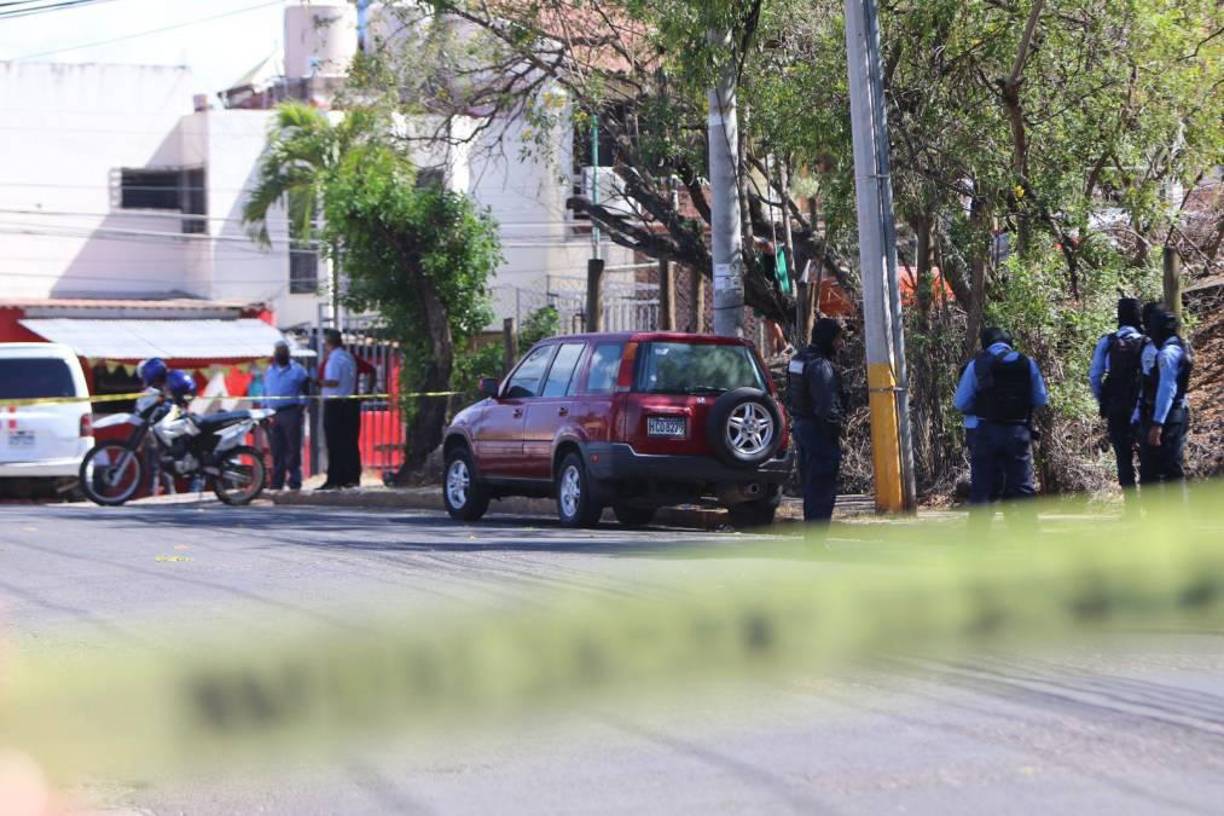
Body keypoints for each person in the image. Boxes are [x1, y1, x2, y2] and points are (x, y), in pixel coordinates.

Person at [953, 327, 1048, 515]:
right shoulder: (1027, 363)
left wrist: (980, 406)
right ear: (1010, 343)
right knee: (1022, 487)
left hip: (985, 432)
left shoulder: (976, 364)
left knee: (982, 489)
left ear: (985, 344)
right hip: (1018, 431)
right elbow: (1040, 399)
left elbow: (960, 402)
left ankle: (979, 532)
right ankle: (1027, 530)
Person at [787, 318, 844, 523]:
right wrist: (834, 430)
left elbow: (791, 394)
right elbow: (826, 405)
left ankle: (813, 533)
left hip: (801, 428)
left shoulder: (797, 360)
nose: (841, 344)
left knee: (811, 487)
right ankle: (817, 536)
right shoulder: (820, 365)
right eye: (838, 339)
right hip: (819, 432)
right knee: (822, 489)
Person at [1088, 297, 1146, 495]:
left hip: (1116, 406)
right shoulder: (1145, 341)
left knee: (1123, 456)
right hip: (1140, 406)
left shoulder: (1107, 341)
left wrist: (1103, 400)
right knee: (1146, 455)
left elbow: (1094, 376)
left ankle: (1131, 505)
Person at [1137, 307, 1192, 492]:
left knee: (1169, 471)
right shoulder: (1181, 346)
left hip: (1170, 416)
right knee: (1170, 469)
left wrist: (1157, 424)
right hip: (1177, 412)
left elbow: (1167, 389)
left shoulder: (1167, 354)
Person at [263, 340, 309, 491]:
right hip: (272, 414)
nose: (280, 354)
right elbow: (266, 392)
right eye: (278, 351)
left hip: (291, 412)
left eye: (283, 351)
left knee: (293, 449)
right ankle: (277, 483)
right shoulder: (270, 370)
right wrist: (264, 411)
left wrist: (301, 409)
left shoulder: (298, 370)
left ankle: (295, 481)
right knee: (276, 450)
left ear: (288, 353)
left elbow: (306, 391)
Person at [319, 328, 361, 490]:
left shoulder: (334, 359)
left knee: (334, 443)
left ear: (329, 343)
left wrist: (317, 382)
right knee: (349, 443)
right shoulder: (348, 357)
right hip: (349, 403)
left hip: (335, 404)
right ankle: (351, 478)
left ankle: (335, 479)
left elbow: (333, 381)